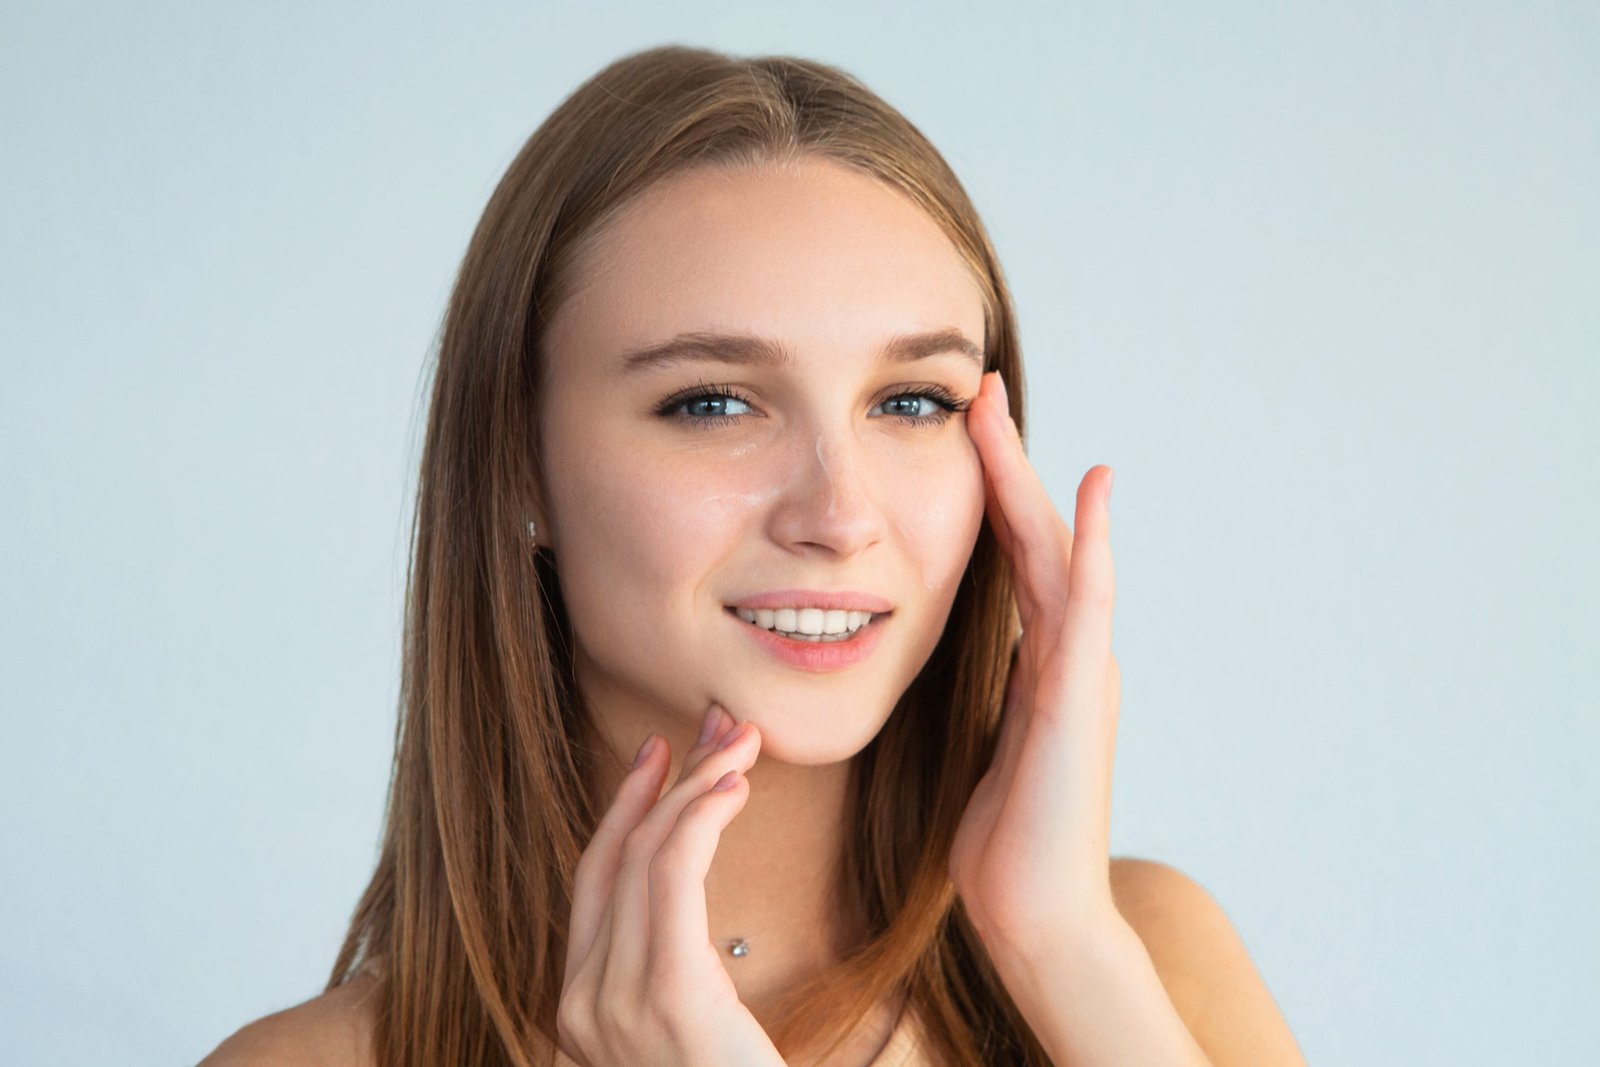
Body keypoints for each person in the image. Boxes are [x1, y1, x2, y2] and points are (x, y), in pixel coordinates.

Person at [202, 44, 1306, 1067]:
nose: (838, 511)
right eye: (714, 401)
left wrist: (1060, 944)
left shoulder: (1145, 960)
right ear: (516, 467)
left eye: (912, 399)